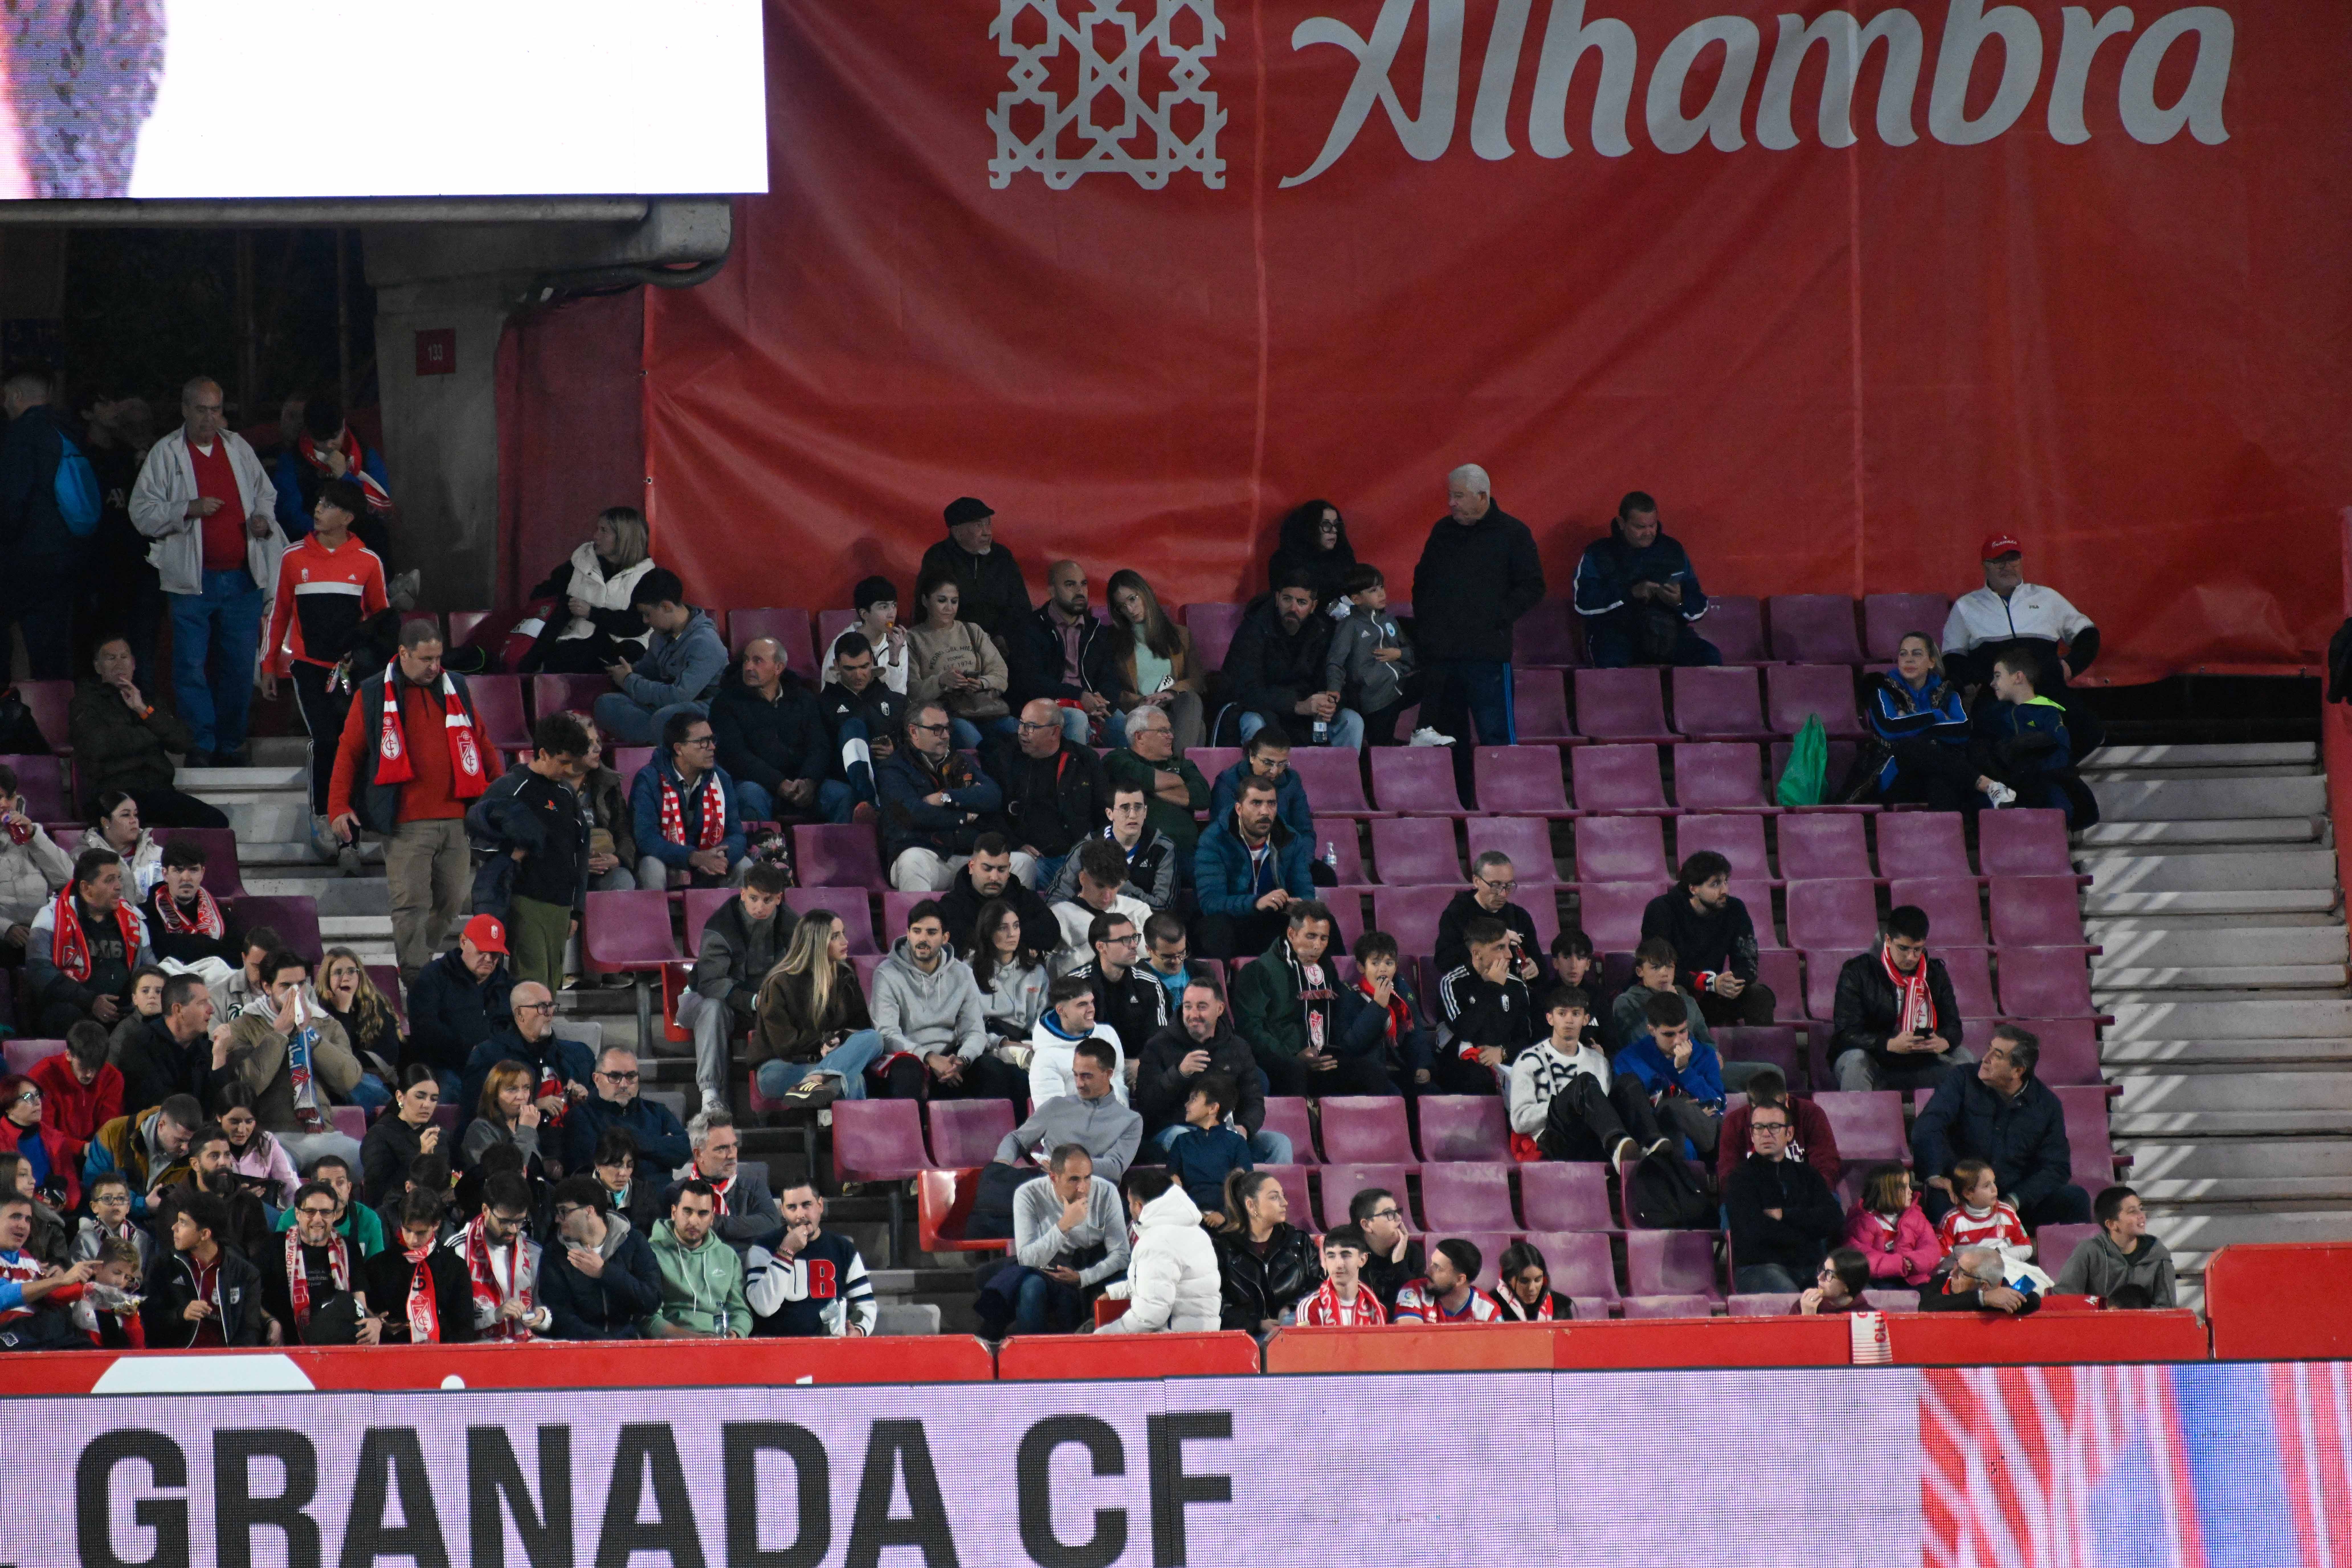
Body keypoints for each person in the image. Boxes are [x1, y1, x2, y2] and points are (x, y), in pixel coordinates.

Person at [329, 620, 502, 979]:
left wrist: (498, 789)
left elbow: (480, 739)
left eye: (438, 658)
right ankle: (415, 973)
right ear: (403, 653)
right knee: (411, 904)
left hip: (457, 817)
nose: (434, 667)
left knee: (453, 900)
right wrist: (338, 806)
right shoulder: (374, 693)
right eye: (426, 659)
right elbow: (349, 752)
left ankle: (420, 960)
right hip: (406, 821)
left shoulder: (456, 687)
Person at [128, 376, 283, 767]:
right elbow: (141, 513)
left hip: (242, 578)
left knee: (236, 668)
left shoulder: (239, 448)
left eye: (216, 410)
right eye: (202, 410)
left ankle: (230, 745)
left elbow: (266, 493)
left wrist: (263, 520)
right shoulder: (166, 454)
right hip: (191, 582)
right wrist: (187, 508)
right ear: (185, 410)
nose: (210, 418)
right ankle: (201, 744)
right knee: (191, 668)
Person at [264, 475, 390, 846]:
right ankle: (322, 815)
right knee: (325, 738)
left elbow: (380, 622)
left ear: (349, 517)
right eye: (319, 502)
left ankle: (353, 816)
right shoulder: (293, 557)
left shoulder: (368, 562)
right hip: (307, 668)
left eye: (329, 505)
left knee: (350, 742)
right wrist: (269, 665)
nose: (319, 509)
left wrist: (368, 658)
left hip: (349, 672)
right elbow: (280, 616)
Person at [1410, 463, 1545, 760]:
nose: (1451, 503)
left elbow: (1533, 586)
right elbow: (1423, 582)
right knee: (1447, 742)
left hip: (1488, 656)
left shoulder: (1514, 533)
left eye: (1459, 496)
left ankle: (1506, 802)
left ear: (1482, 497)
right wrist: (1428, 629)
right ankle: (1456, 803)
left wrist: (1496, 617)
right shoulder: (1442, 532)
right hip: (1444, 657)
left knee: (1497, 737)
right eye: (1450, 495)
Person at [1912, 1025, 2092, 1229]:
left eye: (1997, 1055)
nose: (1985, 1059)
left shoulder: (2047, 1105)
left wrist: (2015, 1201)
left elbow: (2056, 1167)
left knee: (2076, 1199)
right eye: (1989, 1049)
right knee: (1940, 1202)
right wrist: (1936, 1175)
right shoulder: (1962, 1079)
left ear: (2018, 1071)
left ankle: (2079, 1261)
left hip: (2016, 1200)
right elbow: (1929, 1125)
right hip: (1963, 1193)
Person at [871, 903, 1030, 1110]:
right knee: (907, 1073)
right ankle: (909, 1140)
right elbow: (887, 1034)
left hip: (952, 1058)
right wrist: (929, 1058)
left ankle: (990, 1139)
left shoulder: (962, 973)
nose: (923, 939)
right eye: (917, 931)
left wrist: (963, 1061)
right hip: (909, 1056)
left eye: (931, 933)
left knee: (993, 1070)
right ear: (908, 934)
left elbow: (975, 1031)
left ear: (945, 938)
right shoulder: (887, 974)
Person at [481, 711, 593, 993]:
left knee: (552, 985)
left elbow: (581, 851)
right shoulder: (509, 788)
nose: (568, 770)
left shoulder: (566, 794)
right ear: (543, 753)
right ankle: (529, 1036)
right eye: (563, 762)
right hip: (524, 900)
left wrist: (576, 909)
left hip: (561, 905)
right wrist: (506, 857)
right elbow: (478, 835)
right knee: (531, 983)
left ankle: (543, 1035)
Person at [1232, 901, 1390, 1097]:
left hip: (1323, 1059)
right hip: (1282, 1062)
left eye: (1324, 939)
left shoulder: (1327, 969)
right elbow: (1250, 1029)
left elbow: (1346, 1013)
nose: (1318, 946)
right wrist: (1293, 1057)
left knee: (1372, 1072)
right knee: (1294, 1071)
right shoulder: (1258, 971)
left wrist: (1377, 1007)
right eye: (1311, 936)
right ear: (1292, 934)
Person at [224, 950, 371, 1159]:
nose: (295, 993)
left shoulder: (325, 1023)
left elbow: (348, 1080)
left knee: (364, 1160)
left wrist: (310, 1034)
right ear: (267, 987)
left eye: (301, 984)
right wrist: (279, 1035)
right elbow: (247, 1086)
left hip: (321, 1134)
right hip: (271, 1136)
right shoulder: (243, 1026)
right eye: (286, 986)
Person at [69, 638, 230, 828]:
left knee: (216, 821)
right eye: (111, 658)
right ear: (98, 666)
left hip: (158, 791)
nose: (119, 663)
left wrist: (143, 710)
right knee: (129, 827)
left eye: (124, 657)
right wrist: (152, 733)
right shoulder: (86, 702)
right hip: (114, 792)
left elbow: (182, 742)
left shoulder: (148, 700)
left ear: (134, 664)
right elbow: (100, 747)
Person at [673, 861, 792, 1107]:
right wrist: (754, 1001)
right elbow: (711, 982)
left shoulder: (793, 926)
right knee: (713, 1009)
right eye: (754, 898)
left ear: (779, 899)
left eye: (768, 900)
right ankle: (710, 1096)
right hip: (701, 997)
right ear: (742, 894)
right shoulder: (721, 925)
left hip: (759, 1002)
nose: (759, 907)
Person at [1511, 986, 1667, 1170]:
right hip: (1553, 1140)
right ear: (1550, 1018)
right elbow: (1520, 1122)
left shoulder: (1598, 1061)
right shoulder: (1528, 1059)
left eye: (1576, 1014)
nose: (1569, 1020)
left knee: (1628, 1081)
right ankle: (1617, 1146)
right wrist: (1567, 1104)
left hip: (1591, 1140)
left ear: (1586, 1020)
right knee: (1583, 1084)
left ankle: (1652, 1144)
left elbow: (1606, 1112)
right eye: (1562, 1013)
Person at [1136, 977, 1288, 1162]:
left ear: (1220, 1009)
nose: (1193, 1014)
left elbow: (1254, 1101)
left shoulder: (1238, 1048)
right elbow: (1147, 1105)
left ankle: (1268, 1191)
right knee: (1184, 1138)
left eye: (1202, 1007)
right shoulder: (1158, 1046)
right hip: (1176, 1128)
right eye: (1188, 1006)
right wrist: (1179, 1073)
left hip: (1225, 1130)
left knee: (1279, 1143)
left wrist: (1245, 1128)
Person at [711, 637, 853, 825]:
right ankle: (763, 854)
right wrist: (779, 784)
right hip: (759, 784)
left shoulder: (804, 699)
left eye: (757, 661)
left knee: (843, 795)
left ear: (778, 668)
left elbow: (820, 746)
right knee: (749, 795)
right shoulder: (725, 703)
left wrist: (809, 781)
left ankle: (838, 854)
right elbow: (735, 756)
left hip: (803, 784)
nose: (748, 668)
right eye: (746, 660)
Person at [751, 908, 888, 1102]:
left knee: (874, 1039)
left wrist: (840, 1040)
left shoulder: (846, 978)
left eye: (844, 933)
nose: (845, 941)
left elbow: (861, 1030)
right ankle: (858, 1132)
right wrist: (823, 1043)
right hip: (781, 1067)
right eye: (835, 936)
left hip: (829, 1062)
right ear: (817, 943)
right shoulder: (780, 983)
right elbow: (784, 1046)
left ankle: (815, 1079)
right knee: (851, 1079)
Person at [994, 1143, 1131, 1337]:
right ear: (1054, 1177)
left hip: (1097, 1265)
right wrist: (1064, 1226)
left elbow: (1122, 1255)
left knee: (1128, 1278)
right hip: (1053, 1267)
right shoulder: (1028, 1194)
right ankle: (1029, 1358)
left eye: (1087, 1178)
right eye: (1074, 1180)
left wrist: (1084, 1277)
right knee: (1031, 1287)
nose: (1083, 1188)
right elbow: (1027, 1259)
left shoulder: (1106, 1192)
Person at [1833, 906, 1972, 1093]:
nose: (1911, 957)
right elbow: (1846, 1033)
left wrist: (1944, 1041)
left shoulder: (1935, 973)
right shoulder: (1857, 972)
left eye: (1918, 950)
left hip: (1921, 1059)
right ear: (1888, 941)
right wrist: (1888, 1044)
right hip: (1876, 1058)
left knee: (1964, 1058)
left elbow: (1954, 1025)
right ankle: (1859, 1120)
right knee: (1856, 1061)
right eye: (1904, 949)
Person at [1572, 490, 1718, 669]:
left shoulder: (1673, 551)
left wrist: (1679, 602)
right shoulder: (1599, 553)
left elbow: (1699, 605)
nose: (1648, 533)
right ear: (1622, 524)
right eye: (1640, 527)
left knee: (1709, 657)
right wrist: (1630, 593)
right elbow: (1583, 603)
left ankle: (1694, 698)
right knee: (1610, 663)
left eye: (1653, 525)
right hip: (1614, 634)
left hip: (1667, 633)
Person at [1221, 566, 1362, 749]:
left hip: (1309, 718)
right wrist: (1296, 706)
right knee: (1253, 722)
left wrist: (1330, 702)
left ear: (1313, 606)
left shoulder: (1322, 631)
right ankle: (1259, 778)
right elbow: (1243, 690)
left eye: (1302, 602)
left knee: (1352, 721)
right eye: (1288, 599)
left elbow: (1339, 680)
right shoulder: (1253, 630)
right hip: (1267, 713)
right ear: (1278, 598)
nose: (1293, 608)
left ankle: (1341, 778)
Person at [880, 704, 1015, 893]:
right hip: (926, 855)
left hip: (968, 857)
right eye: (937, 730)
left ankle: (1000, 922)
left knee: (1022, 863)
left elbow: (992, 796)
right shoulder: (893, 769)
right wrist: (964, 816)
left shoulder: (960, 761)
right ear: (914, 732)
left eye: (947, 728)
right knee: (912, 862)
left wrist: (947, 798)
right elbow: (913, 814)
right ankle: (921, 922)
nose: (946, 736)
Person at [1941, 534, 2098, 692]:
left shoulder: (2047, 597)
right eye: (1999, 561)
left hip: (2049, 692)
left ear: (2022, 561)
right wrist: (1980, 682)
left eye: (2013, 560)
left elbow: (2088, 635)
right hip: (1996, 698)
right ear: (1985, 565)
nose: (2008, 567)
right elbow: (1952, 657)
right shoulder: (1966, 606)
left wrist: (2069, 668)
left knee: (2083, 718)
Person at [593, 568, 729, 748]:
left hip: (701, 710)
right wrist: (626, 671)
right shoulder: (658, 636)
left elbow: (679, 697)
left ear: (666, 607)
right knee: (606, 704)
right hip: (664, 709)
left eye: (647, 614)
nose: (645, 621)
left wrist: (630, 681)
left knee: (665, 717)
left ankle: (660, 742)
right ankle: (662, 742)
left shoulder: (706, 643)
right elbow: (647, 672)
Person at [0, 370, 79, 679]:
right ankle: (65, 714)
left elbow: (12, 502)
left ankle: (25, 713)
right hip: (70, 549)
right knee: (58, 640)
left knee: (30, 640)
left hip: (31, 556)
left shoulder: (22, 435)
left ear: (18, 397)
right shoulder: (68, 429)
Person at [26, 848, 153, 1038]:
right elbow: (40, 973)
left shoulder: (133, 920)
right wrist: (91, 1002)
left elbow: (150, 968)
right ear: (86, 888)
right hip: (75, 1011)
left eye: (119, 878)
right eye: (110, 880)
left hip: (124, 1012)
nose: (119, 886)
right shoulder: (51, 917)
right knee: (64, 1015)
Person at [1640, 851, 1773, 1029]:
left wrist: (1731, 983)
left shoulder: (1735, 909)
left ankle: (1761, 1056)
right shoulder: (1661, 910)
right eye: (1716, 884)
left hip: (1713, 993)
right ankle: (1685, 1055)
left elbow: (1748, 961)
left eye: (1726, 882)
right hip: (1675, 989)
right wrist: (1710, 983)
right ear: (1693, 888)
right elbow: (1659, 968)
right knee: (1676, 995)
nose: (1725, 891)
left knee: (1759, 995)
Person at [1725, 1101, 1845, 1292]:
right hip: (1760, 1269)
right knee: (1794, 1300)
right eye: (1759, 1127)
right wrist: (1808, 1231)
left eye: (1774, 1127)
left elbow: (1834, 1218)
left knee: (1852, 1294)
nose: (1766, 1133)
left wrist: (1786, 1215)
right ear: (1752, 1135)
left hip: (1811, 1268)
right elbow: (1753, 1234)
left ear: (1789, 1133)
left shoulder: (1808, 1175)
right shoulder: (1740, 1179)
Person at [1193, 774, 1316, 960]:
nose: (1265, 812)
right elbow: (1211, 903)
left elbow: (1306, 892)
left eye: (1272, 804)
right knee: (1215, 928)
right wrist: (1255, 903)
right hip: (1233, 922)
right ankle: (1225, 987)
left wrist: (1299, 906)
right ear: (1239, 809)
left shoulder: (1291, 840)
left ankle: (1327, 986)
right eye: (1257, 803)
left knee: (1320, 922)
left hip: (1273, 921)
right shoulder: (1215, 840)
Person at [991, 698, 1110, 887]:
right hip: (1031, 859)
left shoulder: (1084, 760)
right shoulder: (1007, 758)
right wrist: (1015, 844)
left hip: (1078, 858)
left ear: (1055, 732)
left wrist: (1091, 852)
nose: (1022, 732)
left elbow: (1106, 814)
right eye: (1021, 724)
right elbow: (993, 813)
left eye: (1031, 727)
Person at [1013, 560, 1132, 746]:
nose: (1080, 591)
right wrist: (1080, 697)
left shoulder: (1097, 631)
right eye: (1070, 585)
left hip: (1091, 706)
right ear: (1052, 591)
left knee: (1127, 725)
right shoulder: (1031, 628)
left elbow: (1110, 678)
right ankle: (1074, 775)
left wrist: (1102, 701)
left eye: (1083, 584)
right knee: (1077, 719)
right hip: (1048, 708)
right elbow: (1031, 681)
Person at [524, 507, 655, 674]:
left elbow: (639, 625)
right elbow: (540, 595)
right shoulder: (582, 562)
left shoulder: (647, 575)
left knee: (620, 661)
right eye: (597, 529)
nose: (595, 537)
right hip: (576, 640)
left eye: (604, 531)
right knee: (564, 657)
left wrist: (591, 613)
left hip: (626, 645)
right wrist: (565, 604)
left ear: (624, 538)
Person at [994, 1038, 1142, 1181]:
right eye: (1076, 1075)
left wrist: (1065, 1167)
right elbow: (1017, 1140)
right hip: (1047, 1190)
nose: (1079, 1084)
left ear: (1109, 1074)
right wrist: (1002, 1163)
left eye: (1087, 1076)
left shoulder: (1130, 1121)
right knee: (992, 1175)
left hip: (1094, 1196)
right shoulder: (1056, 1106)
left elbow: (1114, 1167)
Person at [629, 710, 746, 893]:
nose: (712, 747)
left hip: (711, 860)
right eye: (702, 742)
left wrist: (722, 856)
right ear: (679, 749)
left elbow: (737, 834)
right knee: (651, 867)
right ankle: (658, 921)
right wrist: (693, 857)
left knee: (744, 865)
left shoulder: (721, 779)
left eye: (712, 739)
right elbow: (646, 839)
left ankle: (728, 920)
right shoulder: (649, 779)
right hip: (669, 861)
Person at [745, 1180, 877, 1337]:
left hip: (829, 1348)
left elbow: (866, 1305)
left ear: (820, 1205)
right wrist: (786, 1253)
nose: (800, 1215)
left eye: (807, 1205)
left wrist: (858, 1332)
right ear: (783, 1211)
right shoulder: (763, 1248)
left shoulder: (843, 1248)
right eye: (792, 1207)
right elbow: (764, 1308)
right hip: (776, 1348)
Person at [1099, 1166, 1220, 1334]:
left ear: (1139, 1206)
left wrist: (1106, 1336)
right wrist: (1116, 1293)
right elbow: (1159, 1282)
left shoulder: (1157, 1242)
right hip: (1200, 1336)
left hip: (1175, 1342)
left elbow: (1150, 1315)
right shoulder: (1196, 1232)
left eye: (1129, 1203)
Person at [1327, 563, 1438, 746]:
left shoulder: (1389, 620)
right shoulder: (1349, 625)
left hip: (1398, 687)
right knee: (1381, 748)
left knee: (1437, 676)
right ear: (1356, 599)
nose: (1382, 594)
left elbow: (1413, 653)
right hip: (1375, 699)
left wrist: (1399, 654)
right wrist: (1334, 689)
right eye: (1373, 590)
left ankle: (1422, 730)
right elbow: (1335, 662)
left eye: (1382, 587)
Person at [536, 1177, 660, 1339]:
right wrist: (606, 1344)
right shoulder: (555, 1253)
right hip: (580, 1350)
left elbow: (652, 1301)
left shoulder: (633, 1241)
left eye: (564, 1211)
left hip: (631, 1345)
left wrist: (605, 1273)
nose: (558, 1219)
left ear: (589, 1211)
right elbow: (560, 1317)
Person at [405, 915, 515, 1099]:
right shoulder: (434, 976)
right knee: (448, 1090)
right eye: (482, 950)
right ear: (463, 942)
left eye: (495, 953)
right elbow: (425, 1028)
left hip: (495, 1069)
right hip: (444, 1067)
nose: (489, 959)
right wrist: (468, 1051)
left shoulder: (506, 985)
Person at [139, 1191, 266, 1348]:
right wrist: (181, 1314)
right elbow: (149, 1319)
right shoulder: (163, 1266)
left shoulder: (245, 1274)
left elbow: (250, 1330)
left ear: (205, 1234)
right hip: (175, 1361)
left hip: (226, 1362)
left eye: (183, 1223)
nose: (174, 1228)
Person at [1971, 648, 2086, 821]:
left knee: (2060, 808)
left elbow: (2062, 754)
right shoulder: (1993, 715)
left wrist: (2032, 754)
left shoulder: (2048, 712)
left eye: (1998, 676)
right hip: (2006, 784)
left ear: (2018, 677)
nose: (1992, 683)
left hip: (2041, 782)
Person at [907, 567, 1014, 750]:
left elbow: (1001, 673)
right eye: (942, 601)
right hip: (946, 715)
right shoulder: (913, 638)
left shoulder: (972, 630)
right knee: (972, 740)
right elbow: (912, 691)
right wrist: (942, 681)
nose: (949, 608)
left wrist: (981, 683)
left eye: (954, 602)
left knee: (1020, 734)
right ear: (925, 601)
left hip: (986, 708)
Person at [1868, 632, 1976, 810]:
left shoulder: (1948, 693)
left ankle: (1948, 835)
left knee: (1940, 779)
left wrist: (1908, 723)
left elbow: (1963, 730)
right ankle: (1983, 783)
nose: (1908, 660)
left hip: (1939, 771)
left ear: (1932, 662)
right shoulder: (1883, 691)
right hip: (1896, 772)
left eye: (1917, 654)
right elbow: (1890, 728)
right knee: (1911, 748)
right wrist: (1938, 716)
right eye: (1903, 654)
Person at [262, 1179, 375, 1345]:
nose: (318, 1219)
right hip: (286, 1343)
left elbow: (359, 1303)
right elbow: (252, 1297)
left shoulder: (349, 1248)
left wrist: (374, 1322)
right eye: (310, 1212)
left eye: (325, 1212)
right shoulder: (275, 1246)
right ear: (297, 1214)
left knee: (344, 1301)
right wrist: (270, 1322)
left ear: (334, 1216)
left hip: (337, 1343)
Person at [271, 396, 392, 552]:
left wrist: (346, 477)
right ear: (309, 432)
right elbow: (289, 514)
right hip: (314, 546)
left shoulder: (364, 453)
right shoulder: (293, 460)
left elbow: (380, 506)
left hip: (364, 545)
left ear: (343, 426)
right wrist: (329, 536)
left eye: (334, 438)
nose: (329, 445)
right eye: (320, 441)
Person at [1617, 991, 1728, 1158]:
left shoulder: (1705, 1055)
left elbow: (1719, 1105)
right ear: (1652, 1030)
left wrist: (1685, 1070)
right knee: (1674, 1118)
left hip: (1703, 1134)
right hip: (1655, 1134)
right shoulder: (1629, 1058)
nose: (1678, 1040)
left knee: (1677, 1115)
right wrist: (1685, 1106)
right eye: (1669, 1034)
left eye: (1683, 1031)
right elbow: (1633, 1107)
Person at [1432, 918, 1537, 1097]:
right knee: (1477, 1078)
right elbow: (1464, 1030)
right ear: (1477, 953)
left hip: (1505, 1062)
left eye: (1508, 947)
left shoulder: (1517, 987)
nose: (1509, 955)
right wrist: (1493, 988)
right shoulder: (1453, 983)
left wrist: (1503, 1053)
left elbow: (1526, 1039)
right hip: (1461, 1066)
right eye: (1499, 948)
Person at [1105, 568, 1206, 752]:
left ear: (1146, 593)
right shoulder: (1112, 641)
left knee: (1191, 700)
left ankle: (1170, 769)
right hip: (1139, 714)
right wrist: (1141, 701)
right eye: (1121, 606)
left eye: (1133, 599)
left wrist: (1170, 694)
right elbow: (1110, 688)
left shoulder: (1181, 635)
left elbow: (1198, 681)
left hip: (1171, 710)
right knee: (1198, 729)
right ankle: (1177, 771)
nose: (1130, 610)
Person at [362, 1189, 479, 1344]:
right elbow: (366, 1317)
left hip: (443, 1359)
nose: (413, 1239)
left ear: (436, 1225)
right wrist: (382, 1326)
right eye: (408, 1230)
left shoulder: (454, 1266)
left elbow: (465, 1328)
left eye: (421, 1233)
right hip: (393, 1357)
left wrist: (441, 1344)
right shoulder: (378, 1266)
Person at [663, 1108, 784, 1253]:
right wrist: (744, 1232)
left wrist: (713, 1222)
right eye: (722, 1149)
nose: (732, 1155)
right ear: (699, 1154)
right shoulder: (676, 1192)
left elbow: (772, 1223)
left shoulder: (753, 1185)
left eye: (734, 1146)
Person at [1103, 704, 1211, 867]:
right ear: (1139, 737)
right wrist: (1178, 782)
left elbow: (1202, 797)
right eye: (1163, 731)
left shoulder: (1183, 764)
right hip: (1141, 855)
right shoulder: (1118, 759)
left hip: (1186, 853)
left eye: (1170, 731)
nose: (1171, 737)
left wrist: (1145, 789)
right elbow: (1147, 779)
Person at [450, 1172, 553, 1340]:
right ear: (486, 1210)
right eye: (505, 1222)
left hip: (524, 1345)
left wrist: (542, 1316)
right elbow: (452, 1318)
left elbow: (549, 1309)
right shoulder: (458, 1250)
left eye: (520, 1221)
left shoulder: (534, 1252)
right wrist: (496, 1314)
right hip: (476, 1348)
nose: (513, 1229)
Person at [116, 973, 218, 1143]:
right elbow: (158, 1106)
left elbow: (218, 1108)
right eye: (202, 1003)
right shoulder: (140, 1044)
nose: (211, 1009)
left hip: (200, 1141)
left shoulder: (207, 1049)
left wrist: (220, 1060)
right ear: (178, 1010)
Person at [1044, 784, 1178, 912]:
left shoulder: (1163, 849)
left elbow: (1164, 908)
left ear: (1145, 812)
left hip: (1140, 925)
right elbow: (1057, 899)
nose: (1132, 815)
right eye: (1125, 808)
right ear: (1110, 814)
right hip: (1090, 924)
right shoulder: (1086, 847)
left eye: (1138, 808)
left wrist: (1120, 885)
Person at [920, 497, 1032, 648]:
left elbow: (1020, 606)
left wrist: (1003, 637)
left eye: (988, 524)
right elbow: (927, 609)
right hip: (952, 644)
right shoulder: (938, 558)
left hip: (1001, 644)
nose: (988, 533)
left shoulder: (1002, 557)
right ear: (957, 532)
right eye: (979, 526)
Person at [560, 1044, 687, 1176]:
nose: (624, 1085)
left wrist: (637, 1142)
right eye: (615, 1077)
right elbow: (596, 1167)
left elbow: (684, 1151)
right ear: (596, 1079)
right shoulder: (580, 1117)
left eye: (631, 1076)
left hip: (662, 1195)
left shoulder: (657, 1111)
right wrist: (661, 1145)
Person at [1213, 1168, 1315, 1333]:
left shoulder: (1299, 1242)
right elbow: (1217, 1304)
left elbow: (1319, 1288)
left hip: (1294, 1334)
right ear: (1251, 1205)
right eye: (1275, 1197)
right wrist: (1257, 1324)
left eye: (1283, 1196)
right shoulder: (1222, 1248)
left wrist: (1291, 1308)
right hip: (1248, 1340)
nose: (1285, 1203)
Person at [814, 634, 905, 819]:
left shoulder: (894, 700)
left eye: (865, 667)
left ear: (872, 661)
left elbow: (913, 743)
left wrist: (894, 749)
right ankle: (870, 800)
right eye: (850, 669)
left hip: (888, 773)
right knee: (852, 728)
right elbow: (818, 752)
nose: (859, 675)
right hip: (840, 778)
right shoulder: (822, 704)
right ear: (837, 666)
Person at [648, 1179, 750, 1338]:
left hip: (720, 1347)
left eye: (703, 1214)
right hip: (672, 1346)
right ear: (674, 1213)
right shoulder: (651, 1253)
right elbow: (649, 1318)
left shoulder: (728, 1256)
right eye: (687, 1211)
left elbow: (740, 1311)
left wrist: (736, 1333)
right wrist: (696, 1340)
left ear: (712, 1219)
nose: (694, 1221)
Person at [1716, 1068, 1842, 1193]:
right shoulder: (1734, 1122)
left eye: (1776, 1113)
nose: (1767, 1131)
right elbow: (1729, 1177)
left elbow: (1827, 1166)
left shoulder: (1811, 1114)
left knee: (1828, 1204)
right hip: (1752, 1199)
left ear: (1787, 1100)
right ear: (1751, 1106)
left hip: (1806, 1195)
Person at [81, 1094, 200, 1222]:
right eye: (180, 1141)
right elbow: (96, 1188)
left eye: (190, 1142)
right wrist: (144, 1205)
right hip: (107, 1224)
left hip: (162, 1230)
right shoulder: (114, 1133)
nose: (186, 1148)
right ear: (161, 1125)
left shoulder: (197, 1153)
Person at [938, 833, 1059, 959]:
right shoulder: (951, 906)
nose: (995, 878)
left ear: (1009, 869)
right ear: (972, 867)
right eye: (987, 869)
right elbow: (956, 946)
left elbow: (1052, 931)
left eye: (1001, 870)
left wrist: (989, 939)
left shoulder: (1023, 897)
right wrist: (1017, 942)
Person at [1064, 906, 1167, 1053]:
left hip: (1139, 1067)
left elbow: (1159, 1039)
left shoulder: (1150, 984)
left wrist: (1142, 1064)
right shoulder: (1074, 985)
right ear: (1101, 947)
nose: (1134, 946)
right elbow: (1065, 1040)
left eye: (1134, 938)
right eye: (1125, 940)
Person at [2053, 1185, 2176, 1307]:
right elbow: (2065, 1300)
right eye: (2133, 1212)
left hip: (2143, 1324)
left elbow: (2167, 1309)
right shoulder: (2089, 1251)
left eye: (2141, 1209)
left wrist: (2134, 1314)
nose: (2142, 1216)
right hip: (2097, 1324)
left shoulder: (2159, 1255)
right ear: (2112, 1224)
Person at [0, 762, 71, 969]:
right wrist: (6, 929)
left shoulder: (32, 833)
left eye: (9, 797)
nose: (5, 804)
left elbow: (67, 879)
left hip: (38, 931)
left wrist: (33, 838)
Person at [1350, 930, 1440, 1093]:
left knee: (1432, 1093)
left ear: (1396, 966)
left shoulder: (1402, 992)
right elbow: (1354, 1044)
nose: (1383, 969)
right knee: (1394, 1095)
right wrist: (1378, 1007)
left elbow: (1415, 1033)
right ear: (1361, 967)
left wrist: (1422, 1065)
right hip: (1369, 1073)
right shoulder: (1352, 995)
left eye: (1389, 963)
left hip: (1400, 1066)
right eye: (1376, 963)